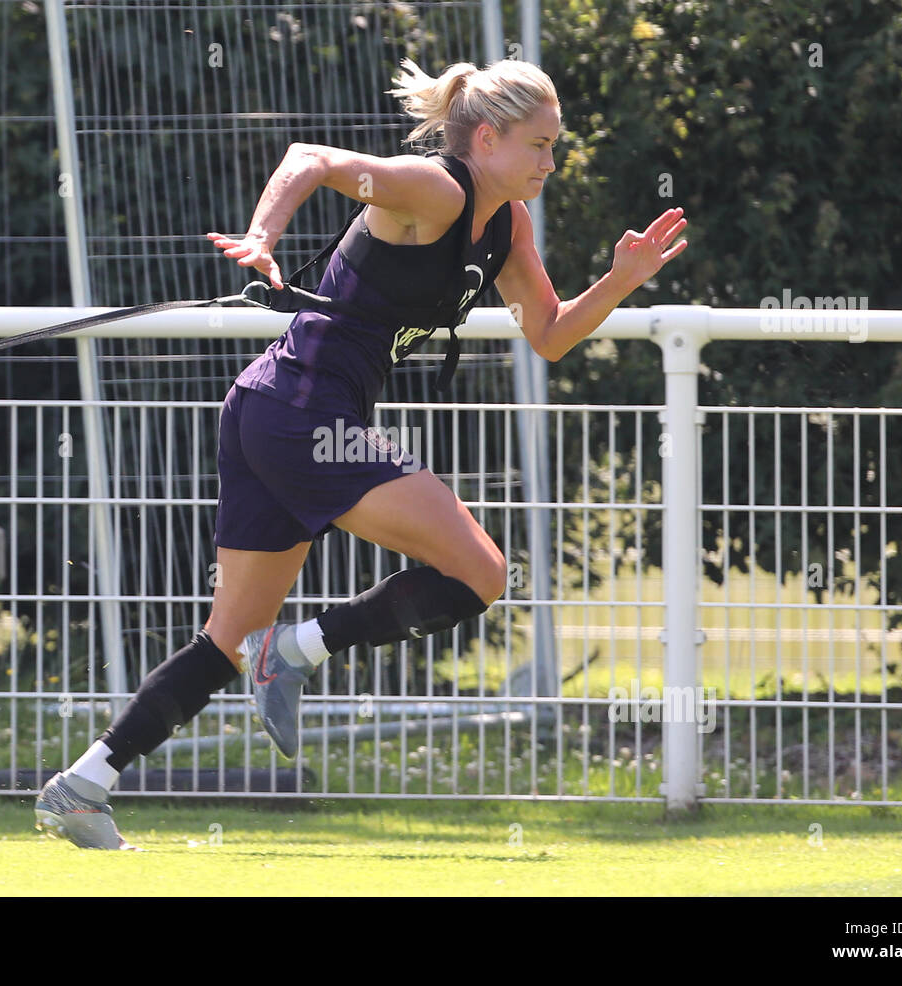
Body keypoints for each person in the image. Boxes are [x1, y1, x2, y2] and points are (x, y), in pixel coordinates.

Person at [35, 57, 688, 849]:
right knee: (480, 573)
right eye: (540, 145)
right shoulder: (436, 189)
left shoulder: (506, 225)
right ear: (486, 137)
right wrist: (261, 238)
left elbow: (548, 335)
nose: (552, 161)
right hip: (301, 415)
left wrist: (620, 281)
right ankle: (296, 649)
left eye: (556, 146)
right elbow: (309, 159)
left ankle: (83, 785)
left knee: (228, 641)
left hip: (268, 410)